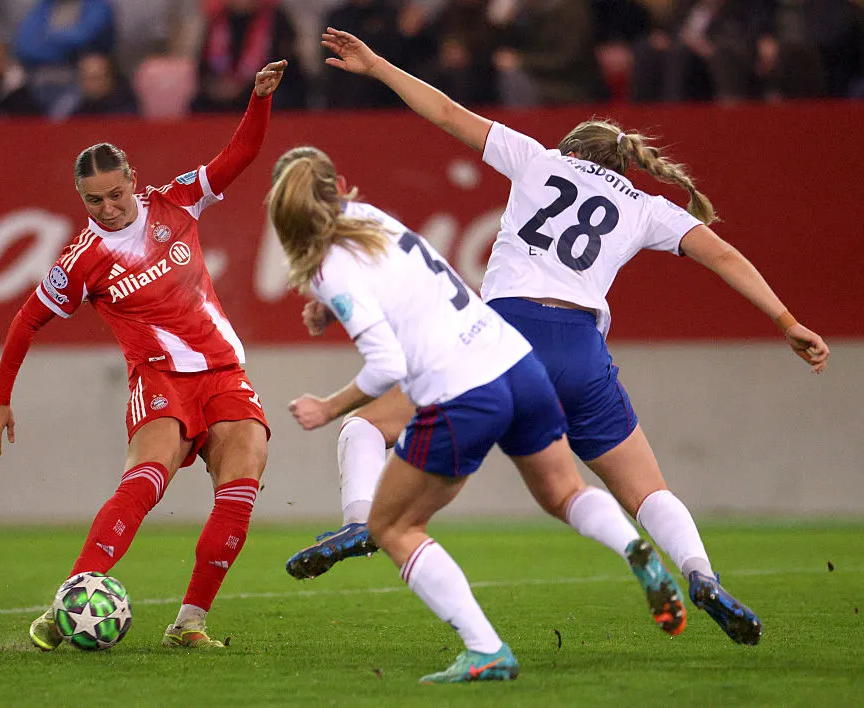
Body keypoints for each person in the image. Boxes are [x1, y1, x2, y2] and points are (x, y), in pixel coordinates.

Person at [286, 27, 832, 648]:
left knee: (364, 427)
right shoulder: (646, 207)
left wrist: (380, 65)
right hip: (579, 349)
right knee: (645, 491)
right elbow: (724, 255)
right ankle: (701, 575)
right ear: (624, 164)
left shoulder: (539, 159)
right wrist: (787, 321)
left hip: (501, 336)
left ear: (571, 149)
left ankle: (360, 521)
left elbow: (446, 112)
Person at [269, 145, 685, 684]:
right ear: (339, 186)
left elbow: (385, 364)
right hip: (514, 360)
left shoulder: (329, 266)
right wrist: (332, 308)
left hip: (460, 390)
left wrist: (327, 406)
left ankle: (485, 649)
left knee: (391, 525)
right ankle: (631, 544)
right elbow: (393, 277)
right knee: (565, 492)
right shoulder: (369, 218)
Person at [0, 59, 288, 651]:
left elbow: (241, 154)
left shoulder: (176, 202)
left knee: (243, 480)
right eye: (94, 200)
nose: (109, 207)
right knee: (146, 482)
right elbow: (27, 320)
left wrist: (260, 98)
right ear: (81, 197)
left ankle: (189, 624)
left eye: (116, 194)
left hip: (223, 373)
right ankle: (67, 604)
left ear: (132, 181)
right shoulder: (82, 260)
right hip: (161, 380)